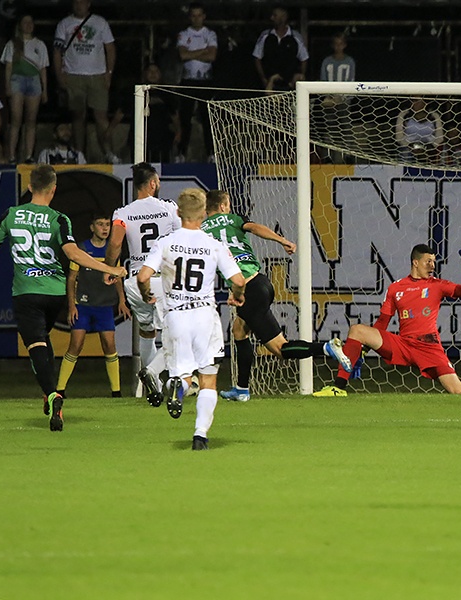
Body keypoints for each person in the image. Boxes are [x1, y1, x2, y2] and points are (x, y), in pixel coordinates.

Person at [0, 164, 126, 431]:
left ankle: (54, 394)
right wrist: (110, 267)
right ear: (54, 190)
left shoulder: (11, 214)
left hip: (27, 292)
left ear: (30, 187)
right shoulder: (59, 219)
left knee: (36, 345)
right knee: (43, 340)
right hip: (55, 295)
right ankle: (49, 392)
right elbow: (74, 254)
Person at [314, 243, 461, 397]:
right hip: (403, 344)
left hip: (428, 347)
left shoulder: (438, 285)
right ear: (415, 262)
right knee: (358, 330)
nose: (432, 265)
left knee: (458, 391)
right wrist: (361, 350)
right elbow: (382, 324)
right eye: (428, 261)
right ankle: (338, 388)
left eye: (434, 261)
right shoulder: (396, 288)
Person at [200, 189, 350, 402]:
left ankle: (326, 348)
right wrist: (281, 240)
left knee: (280, 349)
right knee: (239, 330)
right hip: (261, 282)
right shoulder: (234, 219)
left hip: (247, 290)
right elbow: (253, 227)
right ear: (223, 206)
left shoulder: (200, 230)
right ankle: (241, 389)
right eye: (229, 205)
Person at [137, 188, 246, 450]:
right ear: (204, 214)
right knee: (208, 379)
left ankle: (177, 388)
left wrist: (146, 292)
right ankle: (200, 435)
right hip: (204, 315)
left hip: (176, 317)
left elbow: (142, 276)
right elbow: (238, 280)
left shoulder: (165, 242)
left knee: (182, 375)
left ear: (178, 212)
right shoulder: (213, 244)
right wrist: (237, 296)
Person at [106, 162, 182, 406]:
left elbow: (116, 244)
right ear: (152, 183)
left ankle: (155, 387)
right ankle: (162, 378)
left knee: (147, 332)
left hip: (135, 282)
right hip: (162, 279)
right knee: (176, 335)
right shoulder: (169, 208)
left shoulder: (123, 213)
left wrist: (110, 268)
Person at [56, 215, 132, 398]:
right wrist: (71, 306)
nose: (105, 228)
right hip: (82, 304)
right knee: (75, 345)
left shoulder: (112, 250)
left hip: (104, 305)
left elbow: (117, 278)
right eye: (100, 224)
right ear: (92, 227)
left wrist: (122, 300)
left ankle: (116, 392)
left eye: (107, 225)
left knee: (109, 345)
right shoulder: (81, 249)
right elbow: (72, 278)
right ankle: (60, 390)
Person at [52, 0, 118, 162]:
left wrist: (109, 72)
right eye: (76, 2)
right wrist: (60, 75)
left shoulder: (100, 22)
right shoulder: (64, 24)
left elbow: (110, 48)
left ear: (88, 4)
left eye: (82, 2)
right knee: (78, 116)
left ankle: (109, 153)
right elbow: (57, 51)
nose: (79, 6)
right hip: (73, 75)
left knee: (101, 115)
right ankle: (79, 154)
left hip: (97, 75)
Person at [0, 14, 49, 164]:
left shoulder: (40, 45)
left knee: (31, 120)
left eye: (30, 22)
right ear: (20, 25)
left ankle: (28, 156)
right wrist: (8, 85)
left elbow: (43, 69)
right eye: (25, 22)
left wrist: (44, 90)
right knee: (16, 119)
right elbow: (8, 67)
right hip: (17, 81)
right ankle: (12, 156)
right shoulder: (13, 44)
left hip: (34, 82)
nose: (28, 25)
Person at [175, 2, 217, 163]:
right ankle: (181, 153)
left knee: (207, 119)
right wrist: (203, 51)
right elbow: (183, 55)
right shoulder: (184, 34)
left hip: (205, 81)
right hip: (188, 80)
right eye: (193, 15)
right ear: (190, 17)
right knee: (185, 118)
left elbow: (212, 56)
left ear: (204, 16)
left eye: (199, 15)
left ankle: (211, 154)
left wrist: (192, 53)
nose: (196, 18)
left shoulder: (210, 34)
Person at [315, 32, 355, 164]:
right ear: (333, 45)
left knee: (346, 127)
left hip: (344, 100)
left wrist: (342, 97)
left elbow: (351, 81)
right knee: (329, 127)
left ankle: (348, 155)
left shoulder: (349, 61)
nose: (338, 47)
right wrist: (329, 97)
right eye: (336, 44)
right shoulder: (327, 61)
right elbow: (323, 80)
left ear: (344, 45)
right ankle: (327, 156)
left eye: (340, 44)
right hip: (329, 101)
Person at [252, 5, 308, 91]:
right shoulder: (266, 36)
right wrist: (264, 79)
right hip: (270, 86)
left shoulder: (295, 37)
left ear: (284, 17)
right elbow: (257, 57)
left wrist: (299, 76)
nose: (271, 18)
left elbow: (304, 58)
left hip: (289, 86)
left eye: (275, 15)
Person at [395, 97, 443, 162]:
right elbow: (398, 137)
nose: (413, 103)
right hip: (407, 149)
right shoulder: (404, 114)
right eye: (412, 100)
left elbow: (440, 137)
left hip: (429, 150)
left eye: (416, 100)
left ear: (425, 102)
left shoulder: (434, 116)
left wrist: (427, 147)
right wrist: (410, 146)